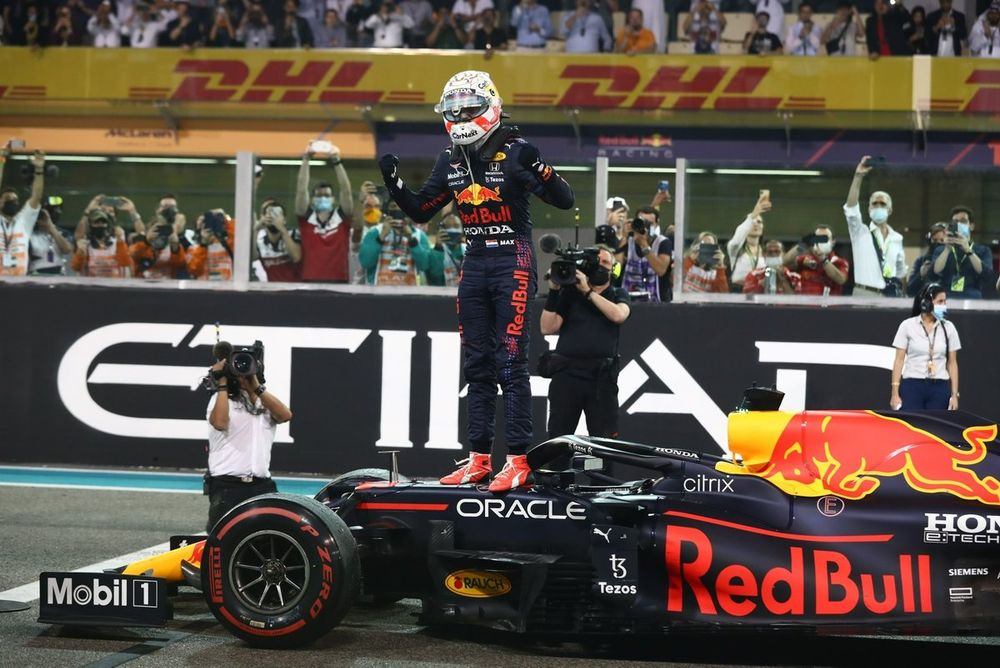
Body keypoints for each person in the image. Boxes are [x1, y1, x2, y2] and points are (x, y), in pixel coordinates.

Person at [378, 69, 574, 491]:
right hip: (475, 263)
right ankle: (479, 458)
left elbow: (565, 199)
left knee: (510, 361)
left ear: (490, 106)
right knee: (476, 365)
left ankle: (519, 459)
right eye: (455, 108)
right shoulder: (449, 157)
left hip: (514, 260)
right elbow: (422, 210)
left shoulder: (518, 150)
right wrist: (394, 184)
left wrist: (537, 166)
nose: (462, 114)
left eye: (469, 107)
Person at [540, 246, 630, 443]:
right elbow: (547, 327)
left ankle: (599, 474)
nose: (600, 266)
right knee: (559, 440)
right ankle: (559, 474)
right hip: (567, 376)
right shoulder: (570, 293)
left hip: (601, 380)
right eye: (597, 262)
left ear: (613, 268)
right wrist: (554, 292)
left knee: (604, 442)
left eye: (606, 263)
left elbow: (619, 315)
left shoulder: (618, 293)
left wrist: (588, 292)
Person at [204, 342, 292, 531]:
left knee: (271, 535)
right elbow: (219, 422)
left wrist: (256, 387)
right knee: (222, 538)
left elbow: (285, 415)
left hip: (262, 485)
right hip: (228, 487)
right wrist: (222, 382)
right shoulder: (221, 399)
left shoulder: (264, 402)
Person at [890, 283, 960, 411]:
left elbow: (952, 363)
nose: (944, 305)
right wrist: (894, 393)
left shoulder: (949, 328)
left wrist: (954, 395)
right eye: (940, 301)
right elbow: (899, 361)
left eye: (945, 302)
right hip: (912, 385)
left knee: (936, 429)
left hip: (939, 387)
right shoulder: (907, 326)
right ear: (927, 303)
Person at [843, 155, 906, 297]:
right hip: (863, 293)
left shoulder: (897, 238)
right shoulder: (860, 232)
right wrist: (858, 176)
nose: (878, 206)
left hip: (888, 296)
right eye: (874, 204)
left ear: (889, 210)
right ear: (869, 209)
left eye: (882, 204)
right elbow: (851, 209)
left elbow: (901, 272)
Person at [294, 143, 356, 282]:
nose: (323, 198)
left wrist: (336, 161)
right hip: (310, 281)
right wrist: (306, 159)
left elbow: (346, 191)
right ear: (313, 199)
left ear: (334, 200)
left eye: (327, 195)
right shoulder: (306, 218)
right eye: (319, 195)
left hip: (339, 281)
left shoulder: (342, 218)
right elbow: (301, 189)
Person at [928, 205, 993, 298]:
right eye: (955, 222)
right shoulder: (941, 249)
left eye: (963, 221)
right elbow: (934, 273)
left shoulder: (983, 250)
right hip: (945, 297)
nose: (959, 225)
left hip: (973, 298)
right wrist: (947, 250)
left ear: (971, 226)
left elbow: (987, 275)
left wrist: (968, 250)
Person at [358, 203, 431, 285]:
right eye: (393, 206)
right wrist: (381, 236)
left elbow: (425, 265)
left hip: (408, 294)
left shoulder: (419, 235)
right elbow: (365, 262)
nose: (398, 210)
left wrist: (411, 239)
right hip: (377, 293)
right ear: (387, 210)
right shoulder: (374, 232)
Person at [0, 150, 46, 277]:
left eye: (15, 200)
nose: (12, 202)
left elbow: (36, 196)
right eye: (8, 200)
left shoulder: (24, 220)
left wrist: (39, 170)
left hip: (19, 284)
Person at [617, 206, 671, 302]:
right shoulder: (628, 240)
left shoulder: (663, 242)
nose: (646, 227)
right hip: (627, 300)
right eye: (642, 223)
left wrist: (643, 244)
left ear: (657, 224)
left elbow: (660, 270)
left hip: (656, 301)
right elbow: (616, 269)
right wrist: (624, 237)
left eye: (649, 224)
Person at [782, 225, 849, 295]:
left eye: (825, 238)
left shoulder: (839, 262)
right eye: (818, 238)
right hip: (804, 304)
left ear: (833, 242)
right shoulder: (805, 259)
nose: (821, 242)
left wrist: (823, 259)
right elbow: (784, 262)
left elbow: (841, 280)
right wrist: (802, 245)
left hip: (827, 304)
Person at [726, 191, 770, 292]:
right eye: (752, 222)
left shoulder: (766, 253)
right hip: (738, 293)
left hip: (759, 294)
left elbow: (769, 272)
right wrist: (753, 215)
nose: (756, 224)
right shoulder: (735, 249)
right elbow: (737, 240)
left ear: (763, 228)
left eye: (759, 222)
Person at [70, 209, 133, 278]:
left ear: (107, 224)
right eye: (96, 223)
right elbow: (76, 267)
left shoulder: (116, 243)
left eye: (103, 222)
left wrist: (120, 243)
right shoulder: (85, 245)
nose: (100, 225)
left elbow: (125, 263)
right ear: (90, 225)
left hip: (114, 285)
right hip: (91, 286)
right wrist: (80, 252)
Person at [253, 200, 302, 282]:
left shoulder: (293, 234)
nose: (273, 217)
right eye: (269, 213)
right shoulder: (260, 239)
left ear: (284, 219)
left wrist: (282, 229)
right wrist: (256, 229)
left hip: (293, 290)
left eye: (277, 214)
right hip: (271, 290)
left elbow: (296, 257)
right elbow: (251, 258)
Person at [129, 213, 187, 278]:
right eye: (156, 230)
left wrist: (175, 246)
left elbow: (180, 264)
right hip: (142, 285)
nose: (159, 233)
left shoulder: (172, 248)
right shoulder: (141, 245)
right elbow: (133, 254)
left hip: (167, 285)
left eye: (162, 230)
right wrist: (147, 241)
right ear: (149, 230)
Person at [187, 210, 234, 281]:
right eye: (203, 222)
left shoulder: (227, 244)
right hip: (203, 289)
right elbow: (194, 270)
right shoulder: (193, 249)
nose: (208, 224)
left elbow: (240, 238)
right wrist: (203, 245)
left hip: (226, 288)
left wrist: (225, 220)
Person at [906, 222, 948, 298]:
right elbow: (910, 290)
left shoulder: (955, 261)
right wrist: (920, 275)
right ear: (929, 240)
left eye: (942, 240)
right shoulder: (921, 261)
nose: (938, 243)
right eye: (935, 240)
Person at [29, 207, 74, 275]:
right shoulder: (30, 235)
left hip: (58, 273)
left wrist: (50, 227)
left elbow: (67, 249)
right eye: (41, 217)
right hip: (36, 273)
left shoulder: (63, 233)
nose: (43, 219)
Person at [426, 214, 465, 286]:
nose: (452, 229)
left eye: (456, 226)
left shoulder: (468, 250)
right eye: (448, 226)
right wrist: (438, 248)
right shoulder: (434, 252)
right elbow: (434, 276)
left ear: (462, 229)